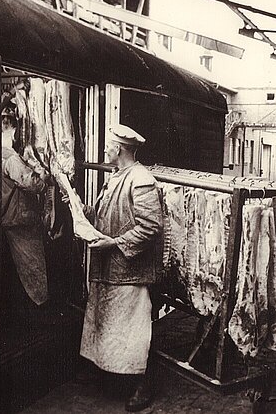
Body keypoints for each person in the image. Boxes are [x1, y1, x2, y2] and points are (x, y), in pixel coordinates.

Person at [77, 124, 163, 412]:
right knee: (108, 323)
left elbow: (150, 227)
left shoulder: (141, 179)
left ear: (121, 149)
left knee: (133, 330)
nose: (104, 149)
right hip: (109, 268)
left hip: (129, 272)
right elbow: (106, 216)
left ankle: (144, 384)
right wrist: (80, 208)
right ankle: (110, 374)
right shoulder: (116, 177)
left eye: (108, 145)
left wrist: (113, 244)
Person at [1, 104, 51, 323]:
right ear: (9, 129)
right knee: (33, 266)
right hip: (20, 217)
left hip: (9, 217)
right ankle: (39, 313)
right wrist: (44, 180)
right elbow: (29, 182)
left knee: (20, 268)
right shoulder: (10, 157)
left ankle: (28, 313)